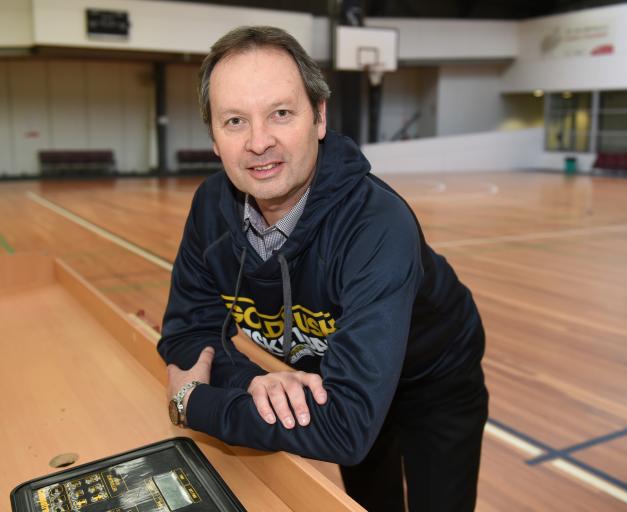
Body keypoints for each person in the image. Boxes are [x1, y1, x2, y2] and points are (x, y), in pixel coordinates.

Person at [158, 26, 488, 512]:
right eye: (234, 121)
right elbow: (187, 332)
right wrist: (250, 377)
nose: (258, 141)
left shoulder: (377, 225)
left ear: (319, 117)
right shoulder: (211, 207)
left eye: (281, 113)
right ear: (213, 137)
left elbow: (346, 427)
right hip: (337, 376)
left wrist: (192, 403)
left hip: (433, 382)